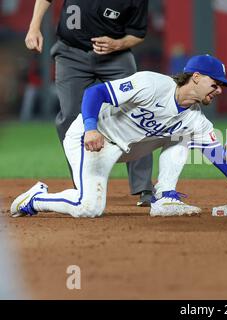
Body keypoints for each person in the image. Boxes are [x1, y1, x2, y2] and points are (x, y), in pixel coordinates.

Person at [10, 54, 227, 218]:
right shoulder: (152, 84)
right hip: (91, 139)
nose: (220, 90)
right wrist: (91, 127)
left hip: (128, 148)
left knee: (185, 132)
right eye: (216, 83)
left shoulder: (196, 119)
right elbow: (95, 93)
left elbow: (226, 163)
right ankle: (35, 200)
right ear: (196, 77)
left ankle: (165, 197)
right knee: (88, 207)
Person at [24, 0, 154, 206]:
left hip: (116, 56)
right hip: (70, 54)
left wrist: (118, 44)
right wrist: (34, 27)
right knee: (69, 117)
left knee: (134, 114)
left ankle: (144, 187)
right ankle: (81, 184)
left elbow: (138, 32)